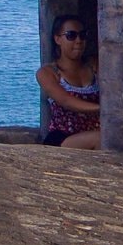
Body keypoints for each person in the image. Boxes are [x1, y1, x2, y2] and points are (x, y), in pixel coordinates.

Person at [37, 13, 102, 149]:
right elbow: (66, 101)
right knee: (100, 138)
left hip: (94, 131)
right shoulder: (48, 73)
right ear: (57, 39)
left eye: (82, 35)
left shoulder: (94, 65)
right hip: (63, 138)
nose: (78, 41)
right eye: (71, 36)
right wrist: (102, 110)